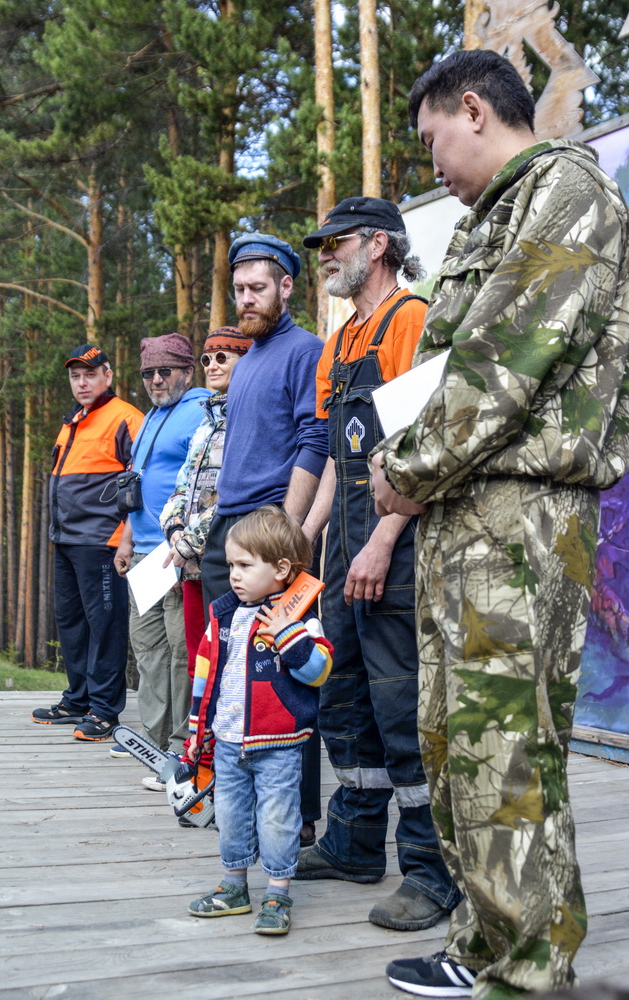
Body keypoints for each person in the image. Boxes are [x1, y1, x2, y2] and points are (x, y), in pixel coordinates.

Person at [369, 50, 629, 999]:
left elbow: (500, 362)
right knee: (459, 741)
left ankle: (523, 973)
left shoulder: (565, 190)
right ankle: (492, 945)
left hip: (517, 513)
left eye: (433, 138)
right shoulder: (498, 212)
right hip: (465, 509)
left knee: (503, 743)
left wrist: (400, 473)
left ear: (472, 109)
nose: (431, 162)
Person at [294, 197, 459, 932]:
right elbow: (340, 454)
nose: (323, 254)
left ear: (379, 244)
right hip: (345, 550)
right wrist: (306, 535)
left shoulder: (412, 318)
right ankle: (354, 843)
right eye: (319, 244)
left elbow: (425, 445)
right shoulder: (341, 337)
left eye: (334, 242)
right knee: (344, 699)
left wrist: (383, 537)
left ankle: (429, 873)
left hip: (397, 544)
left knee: (402, 708)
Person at [200, 232, 329, 846]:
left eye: (257, 288)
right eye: (239, 290)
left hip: (271, 533)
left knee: (283, 674)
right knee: (230, 669)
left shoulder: (306, 351)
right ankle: (236, 795)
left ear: (286, 287)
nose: (246, 300)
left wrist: (292, 537)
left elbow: (315, 439)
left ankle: (298, 820)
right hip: (228, 530)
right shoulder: (247, 360)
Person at [187, 505, 333, 935]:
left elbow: (319, 670)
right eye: (231, 564)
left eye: (245, 565)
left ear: (282, 568)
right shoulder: (224, 616)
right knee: (230, 816)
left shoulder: (300, 619)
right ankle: (234, 887)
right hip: (229, 740)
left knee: (278, 818)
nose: (234, 574)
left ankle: (277, 893)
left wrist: (287, 634)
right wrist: (198, 728)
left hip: (280, 743)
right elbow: (204, 674)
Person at [32, 344, 144, 739]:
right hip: (65, 540)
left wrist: (127, 539)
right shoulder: (73, 421)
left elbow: (140, 481)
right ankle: (76, 699)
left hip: (103, 542)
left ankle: (104, 711)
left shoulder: (126, 418)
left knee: (105, 627)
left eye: (90, 374)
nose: (82, 382)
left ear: (107, 376)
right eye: (76, 376)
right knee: (72, 624)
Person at [113, 333, 211, 769]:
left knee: (178, 650)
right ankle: (151, 736)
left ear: (187, 372)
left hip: (175, 553)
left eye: (164, 371)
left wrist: (187, 546)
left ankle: (177, 740)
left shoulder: (201, 408)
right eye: (149, 373)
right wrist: (126, 539)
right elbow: (139, 481)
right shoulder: (152, 415)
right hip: (142, 553)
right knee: (147, 646)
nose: (155, 379)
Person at [160, 327, 252, 679]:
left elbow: (234, 490)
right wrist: (174, 529)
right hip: (188, 562)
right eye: (207, 359)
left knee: (226, 652)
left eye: (222, 358)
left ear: (245, 362)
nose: (212, 366)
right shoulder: (205, 422)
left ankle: (223, 730)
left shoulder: (245, 418)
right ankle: (202, 731)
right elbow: (181, 485)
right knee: (198, 655)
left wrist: (189, 541)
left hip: (223, 558)